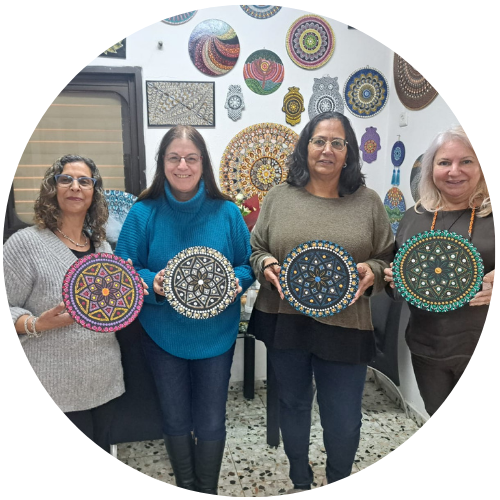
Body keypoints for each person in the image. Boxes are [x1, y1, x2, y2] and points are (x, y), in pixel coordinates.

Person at [248, 111, 394, 491]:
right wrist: (265, 264)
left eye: (337, 143)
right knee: (293, 404)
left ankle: (337, 476)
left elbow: (387, 258)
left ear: (348, 153)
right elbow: (257, 248)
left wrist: (373, 271)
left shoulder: (368, 203)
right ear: (306, 147)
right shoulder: (279, 197)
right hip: (286, 320)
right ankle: (300, 475)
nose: (327, 149)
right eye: (319, 141)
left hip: (347, 325)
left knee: (343, 418)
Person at [114, 125, 254, 495]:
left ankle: (206, 488)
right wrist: (153, 282)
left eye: (191, 158)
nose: (182, 166)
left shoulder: (226, 212)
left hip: (215, 337)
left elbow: (248, 263)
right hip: (163, 334)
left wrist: (233, 281)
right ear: (162, 162)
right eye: (173, 157)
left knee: (210, 421)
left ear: (203, 162)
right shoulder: (143, 213)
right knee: (174, 418)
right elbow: (124, 268)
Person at [4, 154, 126, 453]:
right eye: (66, 179)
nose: (75, 186)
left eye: (84, 181)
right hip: (55, 385)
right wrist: (36, 323)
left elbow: (106, 309)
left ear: (94, 192)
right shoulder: (25, 244)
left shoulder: (101, 246)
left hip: (104, 378)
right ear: (52, 188)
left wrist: (129, 291)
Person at [384, 126, 495, 417]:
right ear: (431, 169)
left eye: (466, 161)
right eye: (444, 162)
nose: (454, 171)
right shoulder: (414, 216)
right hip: (426, 348)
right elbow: (395, 281)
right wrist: (393, 279)